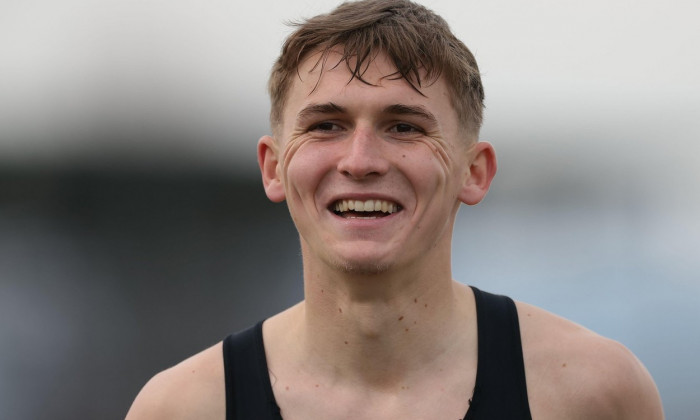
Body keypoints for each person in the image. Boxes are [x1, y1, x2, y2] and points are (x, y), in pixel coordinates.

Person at [125, 0, 664, 419]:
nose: (360, 161)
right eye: (326, 126)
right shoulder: (187, 408)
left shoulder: (590, 392)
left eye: (404, 126)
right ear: (273, 167)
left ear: (473, 172)